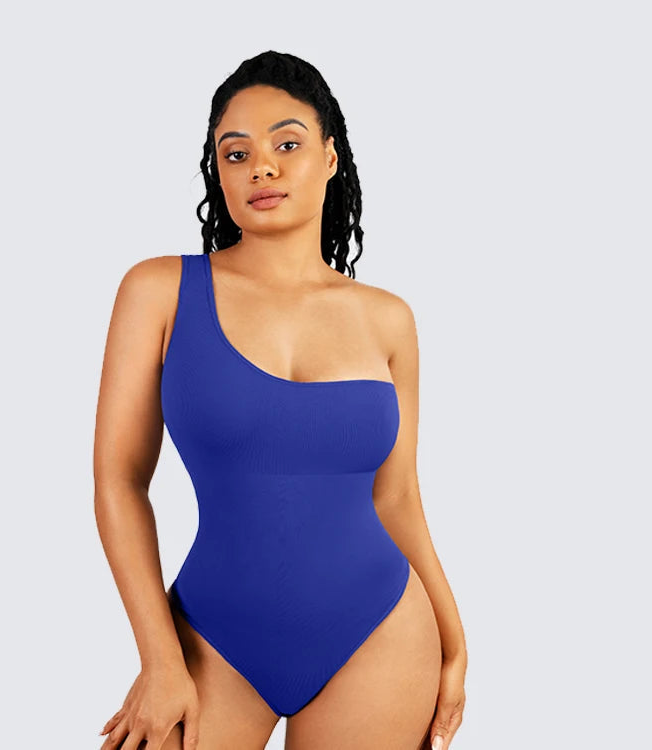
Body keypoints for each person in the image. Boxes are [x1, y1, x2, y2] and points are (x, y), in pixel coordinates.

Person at [94, 50, 467, 750]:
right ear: (219, 173)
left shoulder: (389, 319)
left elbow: (398, 498)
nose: (260, 167)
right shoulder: (159, 291)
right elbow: (119, 481)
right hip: (210, 640)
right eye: (236, 154)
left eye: (286, 144)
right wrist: (160, 660)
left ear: (330, 157)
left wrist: (454, 640)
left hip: (383, 635)